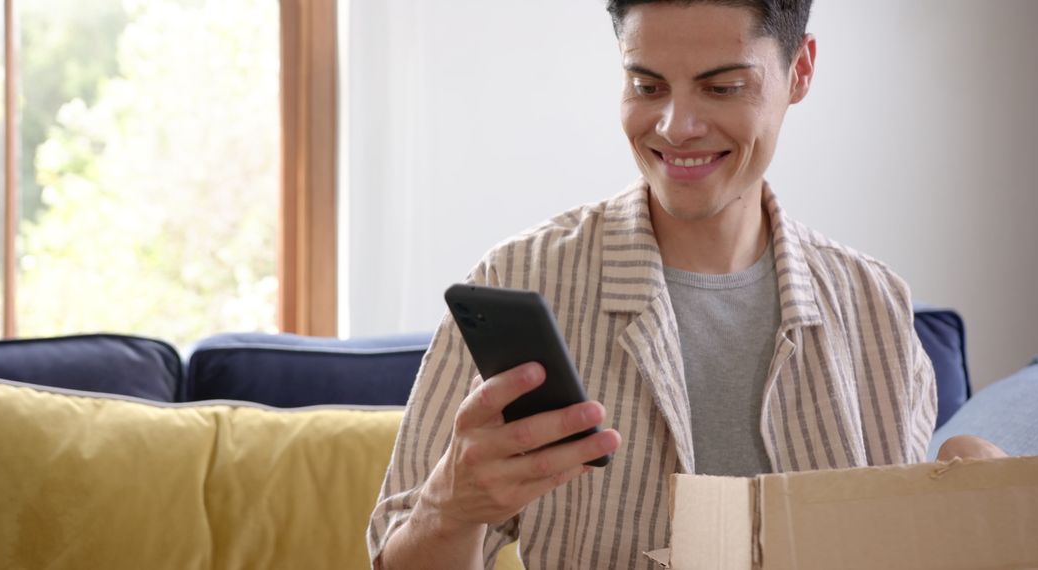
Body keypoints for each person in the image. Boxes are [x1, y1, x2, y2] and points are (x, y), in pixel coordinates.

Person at [367, 1, 1002, 568]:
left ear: (801, 70)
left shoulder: (875, 307)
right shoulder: (521, 279)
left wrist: (978, 503)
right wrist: (449, 509)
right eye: (647, 86)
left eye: (722, 87)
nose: (676, 127)